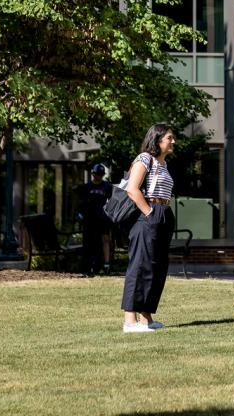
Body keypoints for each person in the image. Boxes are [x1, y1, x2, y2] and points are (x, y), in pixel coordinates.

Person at [121, 123, 177, 333]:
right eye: (169, 138)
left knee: (157, 267)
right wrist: (150, 213)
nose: (173, 142)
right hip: (148, 214)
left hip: (163, 213)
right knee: (140, 266)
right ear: (157, 139)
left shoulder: (162, 163)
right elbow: (133, 190)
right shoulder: (144, 159)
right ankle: (129, 321)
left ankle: (146, 318)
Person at [75, 163, 113, 275]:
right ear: (93, 174)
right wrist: (80, 214)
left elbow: (112, 201)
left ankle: (105, 264)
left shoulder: (107, 186)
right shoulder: (87, 187)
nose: (98, 176)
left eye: (101, 174)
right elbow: (81, 203)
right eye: (96, 174)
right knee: (89, 242)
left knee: (105, 240)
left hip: (103, 218)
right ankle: (88, 266)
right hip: (90, 219)